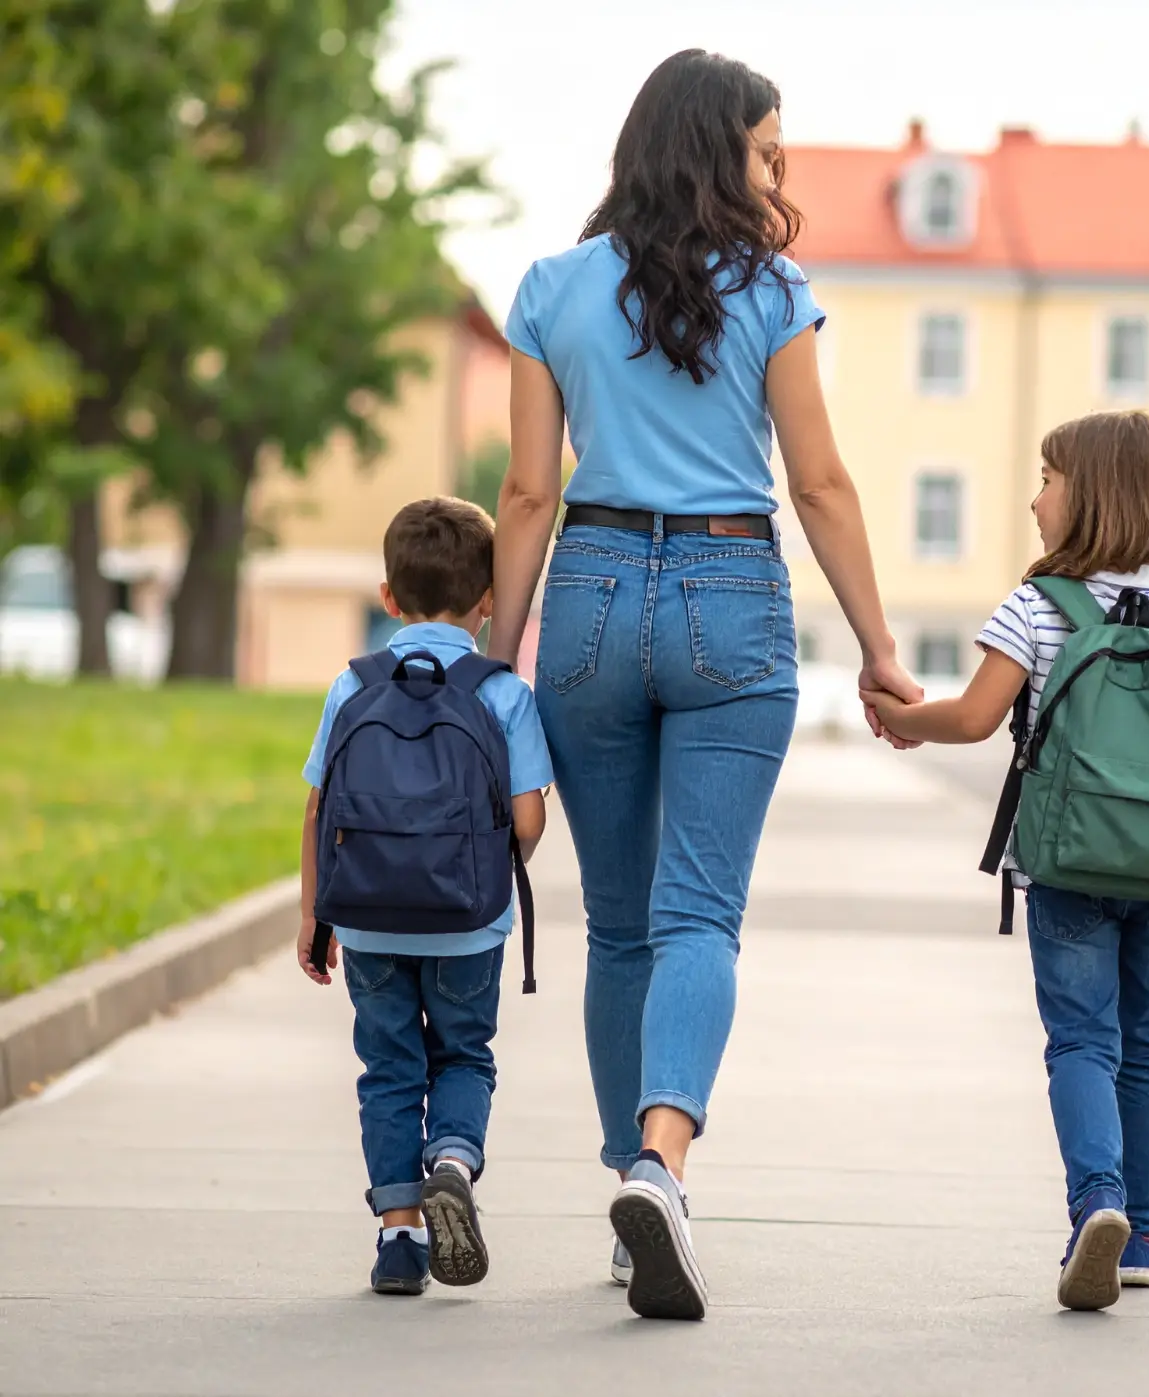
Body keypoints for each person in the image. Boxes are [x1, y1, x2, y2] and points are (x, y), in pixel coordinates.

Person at [487, 50, 919, 1321]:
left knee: (616, 925)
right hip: (731, 599)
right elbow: (822, 483)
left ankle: (633, 1201)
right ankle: (661, 1168)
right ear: (710, 147)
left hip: (592, 593)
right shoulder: (775, 289)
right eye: (768, 150)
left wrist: (495, 667)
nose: (780, 175)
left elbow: (526, 494)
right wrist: (881, 647)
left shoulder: (551, 286)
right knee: (698, 917)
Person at [862, 410, 1149, 1311]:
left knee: (1080, 1038)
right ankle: (1140, 1234)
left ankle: (1095, 1204)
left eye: (1047, 479)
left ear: (1091, 497)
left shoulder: (1038, 606)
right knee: (1148, 1046)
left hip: (1067, 865)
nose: (1034, 500)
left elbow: (970, 717)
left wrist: (896, 717)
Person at [298, 497, 552, 1296]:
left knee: (388, 1068)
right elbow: (527, 815)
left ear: (387, 597)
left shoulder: (352, 686)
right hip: (467, 927)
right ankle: (452, 1156)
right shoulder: (502, 693)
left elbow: (317, 806)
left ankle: (399, 1236)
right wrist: (487, 874)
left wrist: (316, 914)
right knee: (463, 1055)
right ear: (487, 603)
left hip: (369, 920)